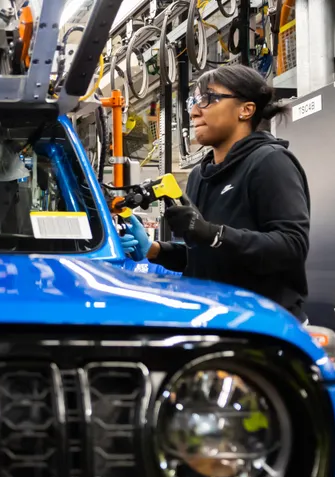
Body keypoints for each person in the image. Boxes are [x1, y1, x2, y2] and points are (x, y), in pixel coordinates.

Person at [121, 64, 311, 321]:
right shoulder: (201, 174)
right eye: (194, 101)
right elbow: (206, 258)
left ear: (246, 110)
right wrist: (154, 250)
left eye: (208, 99)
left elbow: (291, 247)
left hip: (262, 322)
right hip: (213, 317)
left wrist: (212, 233)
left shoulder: (270, 162)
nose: (195, 110)